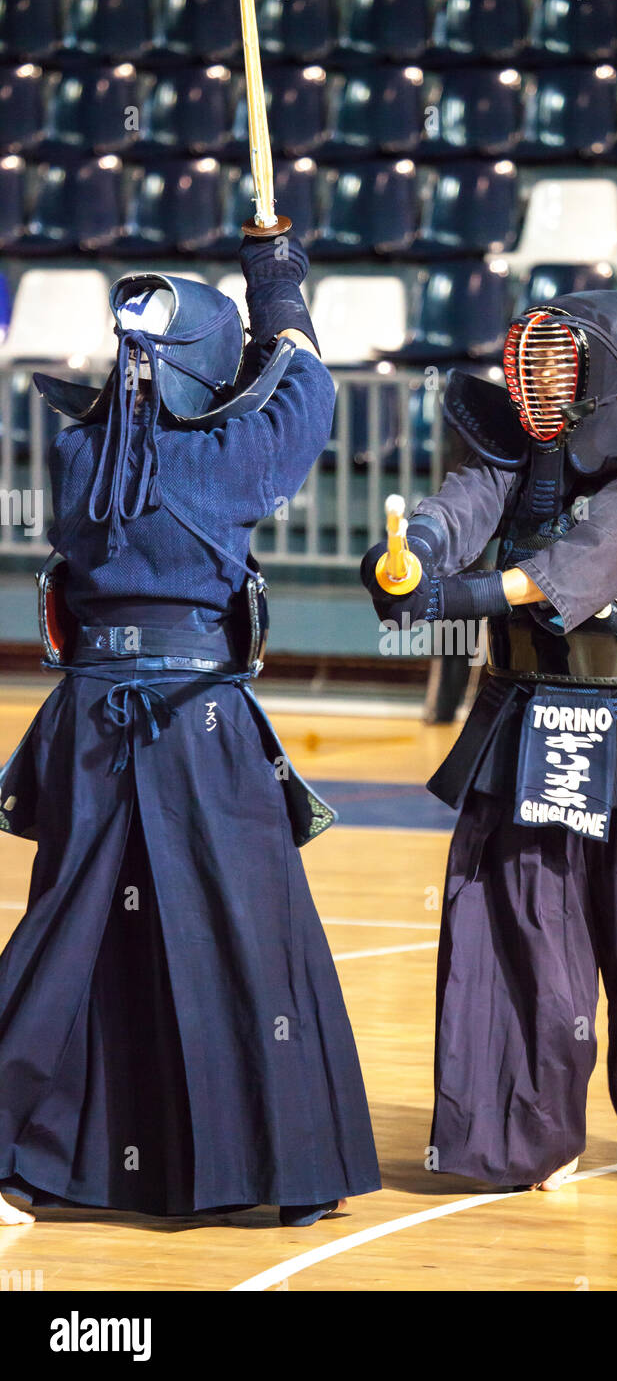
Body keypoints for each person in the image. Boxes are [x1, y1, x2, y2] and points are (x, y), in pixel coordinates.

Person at [0, 233, 380, 1227]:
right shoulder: (233, 455)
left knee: (69, 931)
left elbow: (195, 414)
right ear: (209, 368)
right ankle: (282, 1170)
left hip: (90, 714)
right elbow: (306, 391)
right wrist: (276, 284)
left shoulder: (77, 448)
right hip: (198, 721)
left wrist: (245, 345)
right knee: (249, 933)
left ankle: (30, 1159)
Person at [361, 291, 617, 1191]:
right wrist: (411, 558)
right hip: (523, 723)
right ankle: (529, 1133)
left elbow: (574, 570)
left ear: (601, 370)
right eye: (531, 359)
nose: (539, 377)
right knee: (520, 934)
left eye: (560, 360)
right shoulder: (508, 447)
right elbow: (458, 508)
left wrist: (453, 599)